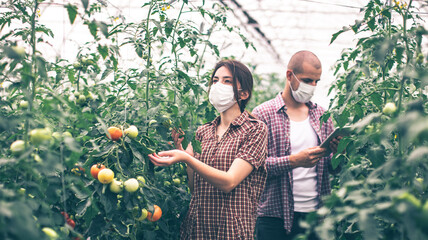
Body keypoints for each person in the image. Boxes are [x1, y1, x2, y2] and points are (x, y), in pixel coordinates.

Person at [148, 59, 268, 240]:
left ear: (243, 94)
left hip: (231, 231)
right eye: (215, 80)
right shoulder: (203, 131)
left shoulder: (255, 129)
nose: (219, 86)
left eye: (227, 81)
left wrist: (187, 158)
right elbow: (195, 189)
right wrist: (183, 153)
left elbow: (229, 182)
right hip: (198, 229)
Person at [252, 50, 340, 240]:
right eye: (307, 80)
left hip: (315, 216)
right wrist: (293, 161)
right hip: (274, 216)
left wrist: (339, 153)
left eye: (316, 81)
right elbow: (255, 167)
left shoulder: (322, 116)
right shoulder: (263, 114)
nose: (312, 86)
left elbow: (333, 169)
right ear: (290, 75)